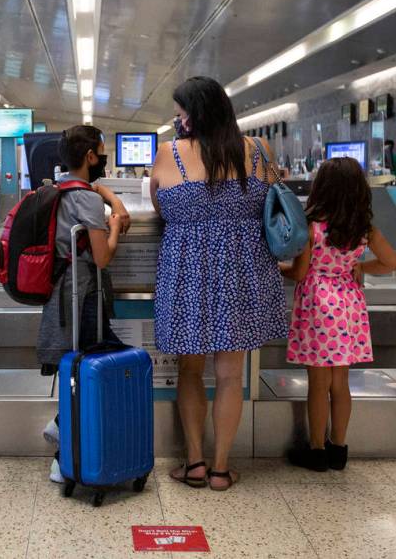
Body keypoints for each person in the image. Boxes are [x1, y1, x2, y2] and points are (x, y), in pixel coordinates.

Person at [151, 77, 288, 492]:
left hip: (187, 272)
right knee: (231, 374)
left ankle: (194, 462)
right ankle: (221, 470)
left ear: (195, 115)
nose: (177, 121)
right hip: (244, 272)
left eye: (180, 114)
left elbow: (160, 205)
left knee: (190, 371)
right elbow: (272, 199)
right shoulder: (260, 151)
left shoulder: (169, 154)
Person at [280, 157, 396, 471]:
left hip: (317, 306)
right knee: (340, 383)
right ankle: (339, 448)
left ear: (322, 189)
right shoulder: (364, 229)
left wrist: (277, 268)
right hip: (348, 306)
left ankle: (316, 450)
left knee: (318, 384)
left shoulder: (312, 226)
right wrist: (359, 266)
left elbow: (301, 271)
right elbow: (391, 263)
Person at [36, 124, 130, 483]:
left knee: (79, 369)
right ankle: (64, 454)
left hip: (62, 296)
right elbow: (103, 257)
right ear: (91, 156)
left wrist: (106, 194)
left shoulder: (58, 190)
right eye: (102, 152)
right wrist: (115, 225)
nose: (104, 158)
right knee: (93, 372)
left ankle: (63, 432)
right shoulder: (87, 199)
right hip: (84, 296)